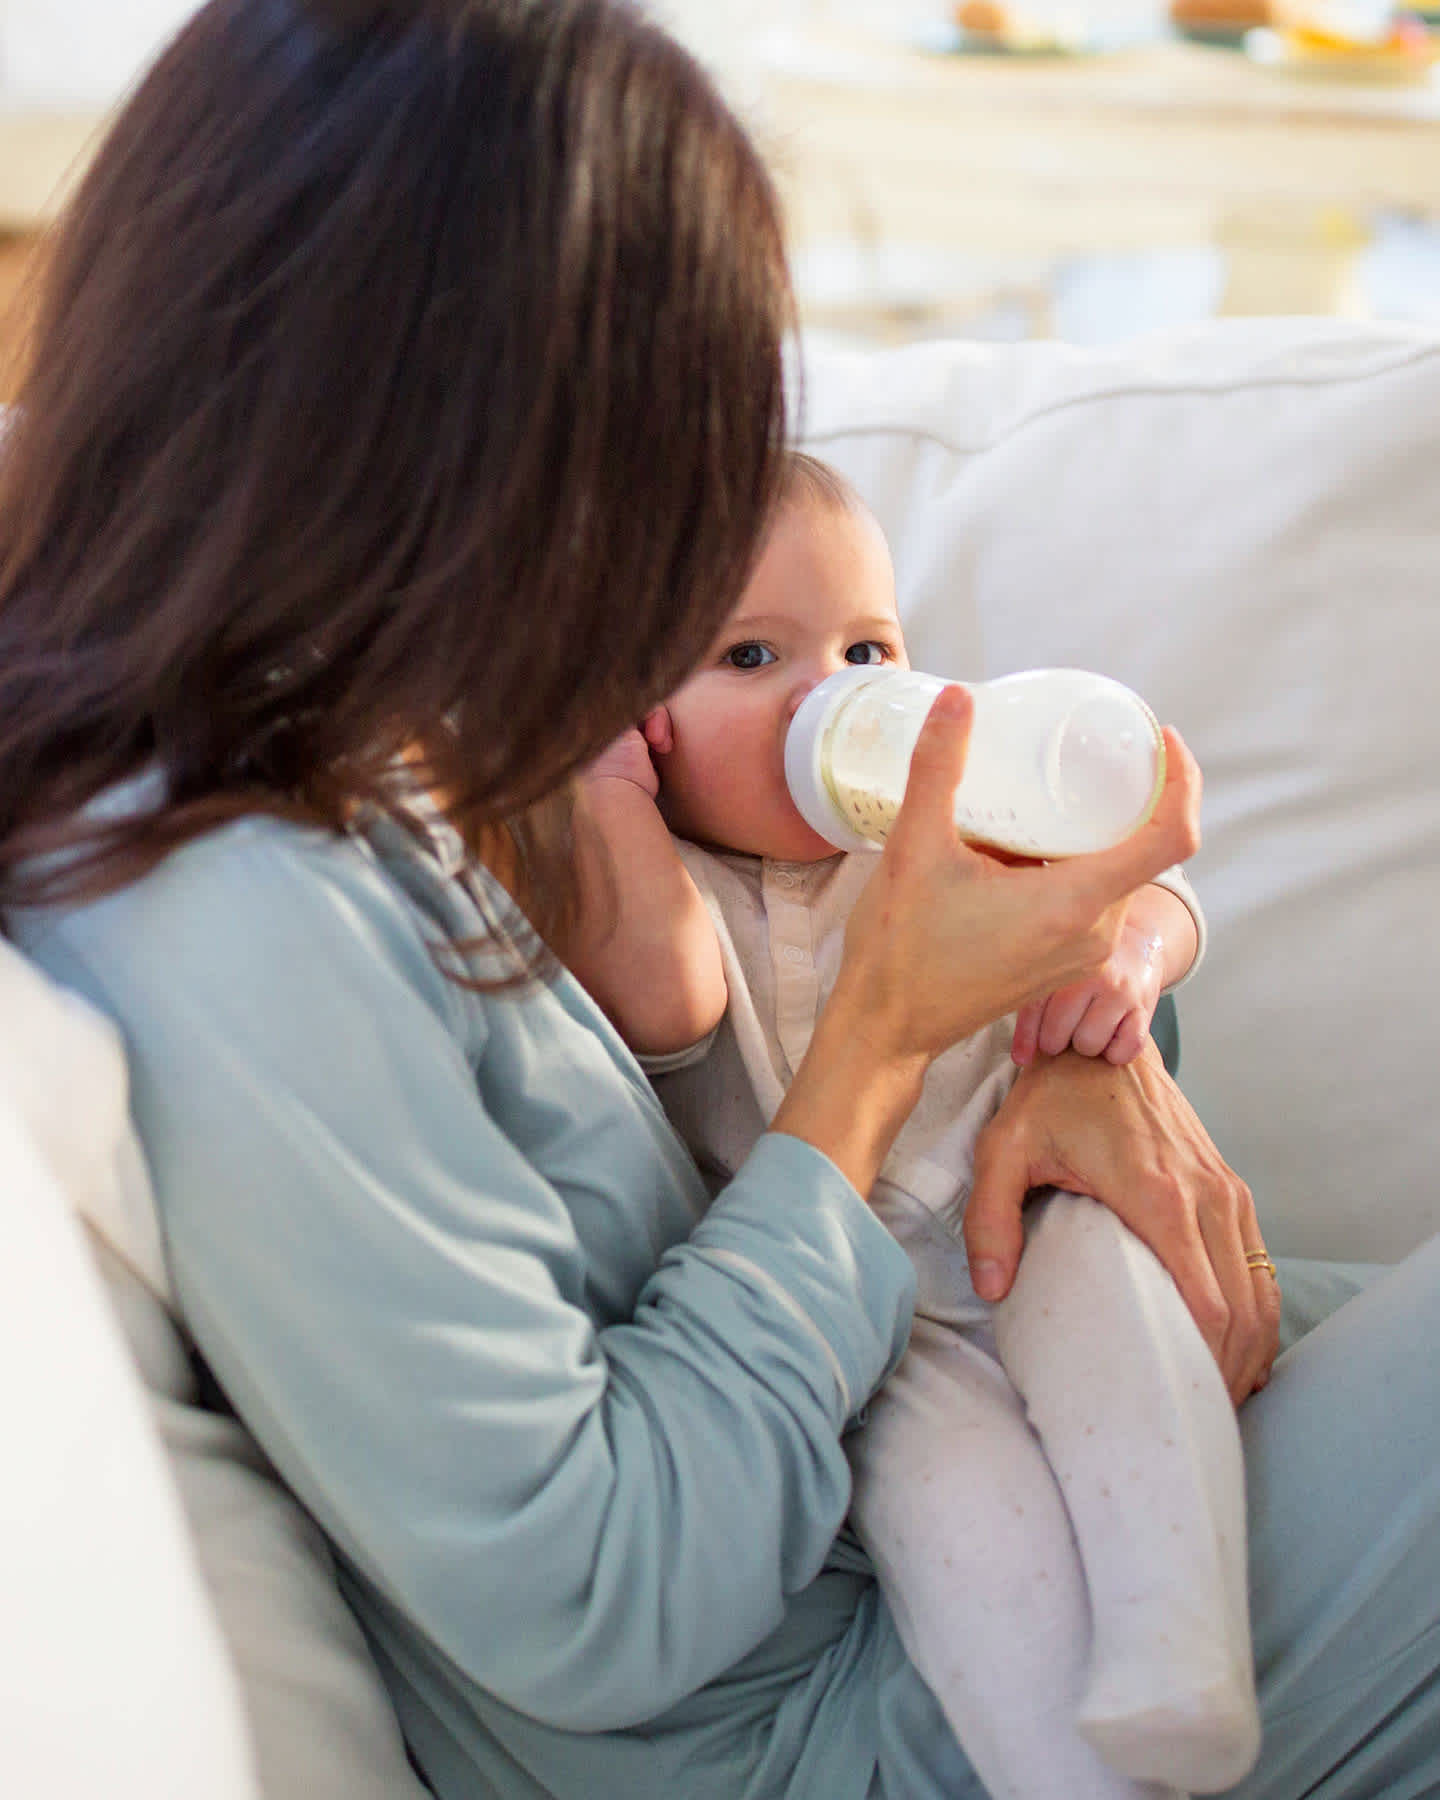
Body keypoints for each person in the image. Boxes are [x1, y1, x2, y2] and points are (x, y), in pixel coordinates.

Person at [0, 4, 1433, 1799]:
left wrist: (1065, 1055)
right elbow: (601, 1596)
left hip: (987, 1449)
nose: (687, 517)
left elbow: (728, 1098)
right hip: (870, 1678)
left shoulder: (442, 749)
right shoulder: (241, 906)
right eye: (670, 435)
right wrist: (886, 1052)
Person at [564, 450, 1256, 1798]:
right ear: (637, 713)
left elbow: (1152, 890)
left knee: (1129, 1358)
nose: (833, 696)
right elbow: (668, 994)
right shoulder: (666, 889)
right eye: (752, 655)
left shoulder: (944, 833)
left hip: (1026, 1208)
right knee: (957, 1524)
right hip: (864, 1318)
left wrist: (1137, 959)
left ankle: (1184, 1657)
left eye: (868, 646)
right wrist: (602, 795)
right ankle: (1071, 1773)